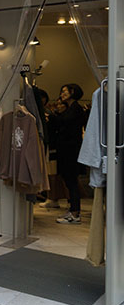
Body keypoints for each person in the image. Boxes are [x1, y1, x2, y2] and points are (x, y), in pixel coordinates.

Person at [46, 84, 86, 224]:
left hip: (71, 151)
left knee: (72, 181)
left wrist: (51, 116)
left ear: (72, 92)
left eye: (64, 91)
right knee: (69, 181)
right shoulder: (71, 109)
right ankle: (73, 210)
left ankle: (75, 213)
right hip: (67, 151)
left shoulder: (76, 109)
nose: (62, 94)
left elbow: (64, 122)